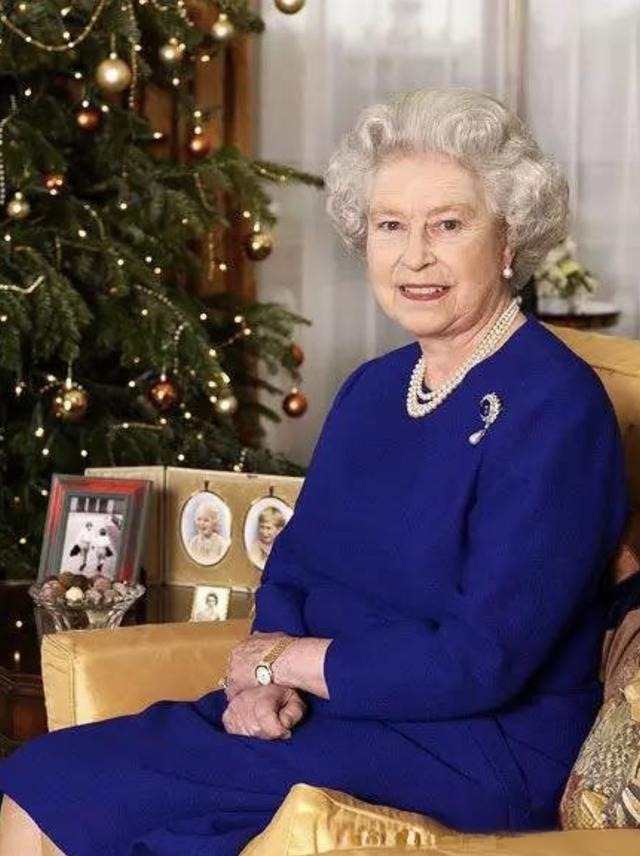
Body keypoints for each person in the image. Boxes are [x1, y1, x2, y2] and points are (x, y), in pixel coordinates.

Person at [0, 87, 629, 855]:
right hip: (333, 711)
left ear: (509, 240)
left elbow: (482, 660)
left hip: (478, 744)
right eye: (390, 225)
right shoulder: (373, 388)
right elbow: (296, 568)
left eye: (449, 225)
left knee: (62, 787)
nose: (415, 255)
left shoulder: (557, 407)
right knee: (58, 784)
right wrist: (262, 681)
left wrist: (284, 661)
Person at [186, 499, 229, 565]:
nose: (201, 523)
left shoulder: (221, 543)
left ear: (214, 524)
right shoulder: (193, 543)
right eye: (199, 519)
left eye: (206, 520)